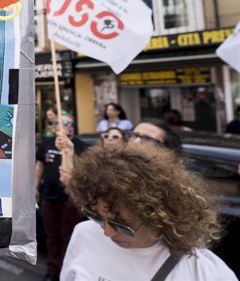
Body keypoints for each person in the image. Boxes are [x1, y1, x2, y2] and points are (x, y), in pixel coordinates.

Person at [60, 143, 237, 280]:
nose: (106, 232)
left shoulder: (204, 272)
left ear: (159, 216)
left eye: (121, 225)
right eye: (97, 217)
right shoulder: (84, 235)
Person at [35, 112, 87, 281]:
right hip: (48, 197)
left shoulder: (80, 146)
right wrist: (35, 186)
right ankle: (52, 270)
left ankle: (66, 270)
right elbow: (40, 164)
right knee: (51, 236)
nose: (65, 126)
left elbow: (84, 171)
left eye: (68, 123)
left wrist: (68, 150)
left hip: (70, 198)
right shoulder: (47, 143)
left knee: (68, 236)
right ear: (55, 126)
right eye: (61, 123)